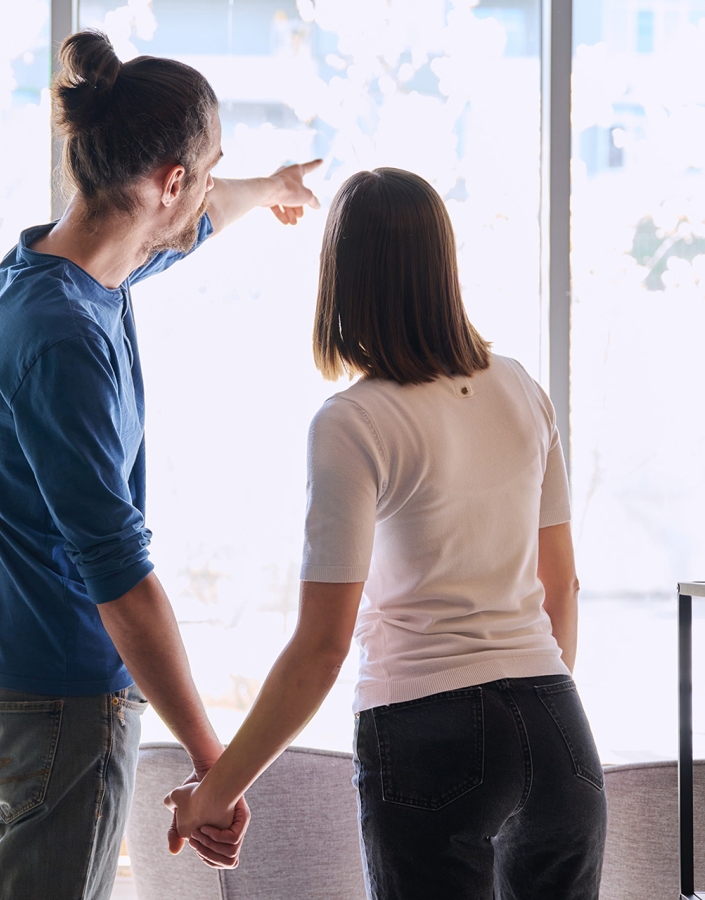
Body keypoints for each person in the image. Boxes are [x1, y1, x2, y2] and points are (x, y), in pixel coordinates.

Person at [165, 168, 608, 899]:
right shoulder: (523, 389)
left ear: (343, 279)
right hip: (559, 731)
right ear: (443, 266)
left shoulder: (353, 423)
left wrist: (216, 793)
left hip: (430, 734)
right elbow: (561, 587)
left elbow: (322, 647)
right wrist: (528, 714)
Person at [0, 29, 320, 899]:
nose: (210, 192)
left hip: (10, 672)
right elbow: (124, 584)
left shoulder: (59, 271)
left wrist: (268, 190)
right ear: (166, 184)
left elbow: (199, 214)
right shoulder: (64, 341)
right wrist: (213, 765)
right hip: (59, 696)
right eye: (210, 169)